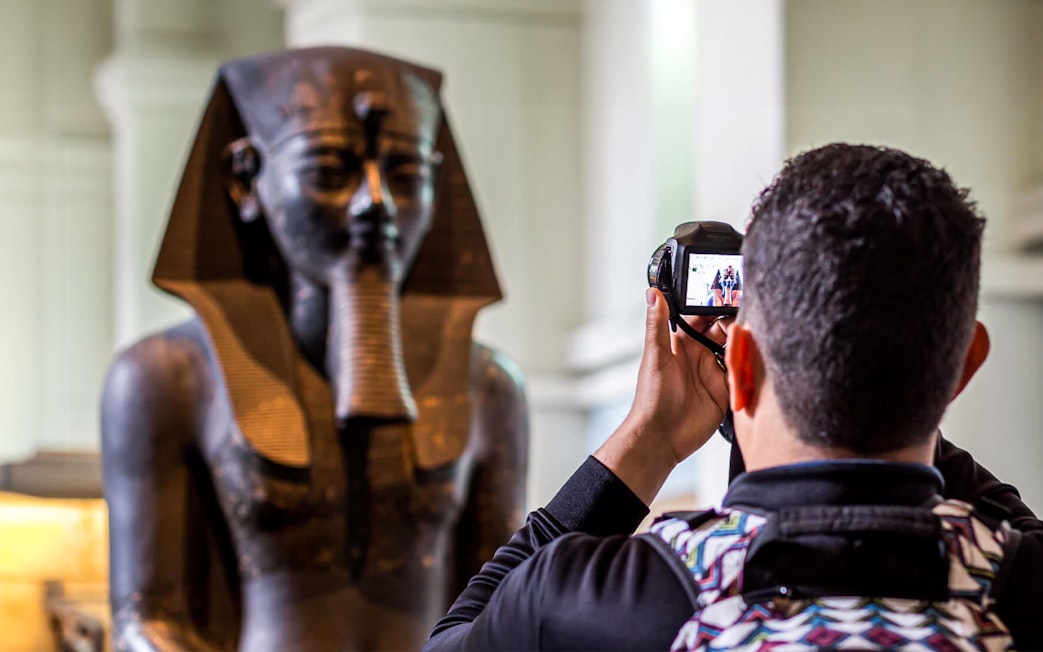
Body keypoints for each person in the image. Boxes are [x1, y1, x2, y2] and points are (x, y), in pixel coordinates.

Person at [424, 144, 1043, 650]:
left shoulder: (592, 603)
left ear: (741, 363)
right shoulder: (1026, 588)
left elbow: (452, 640)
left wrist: (651, 439)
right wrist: (895, 382)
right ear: (963, 367)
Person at [101, 47, 527, 652]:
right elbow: (146, 621)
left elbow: (501, 610)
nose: (374, 203)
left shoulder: (488, 385)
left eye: (405, 176)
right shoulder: (164, 377)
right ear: (245, 179)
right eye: (330, 172)